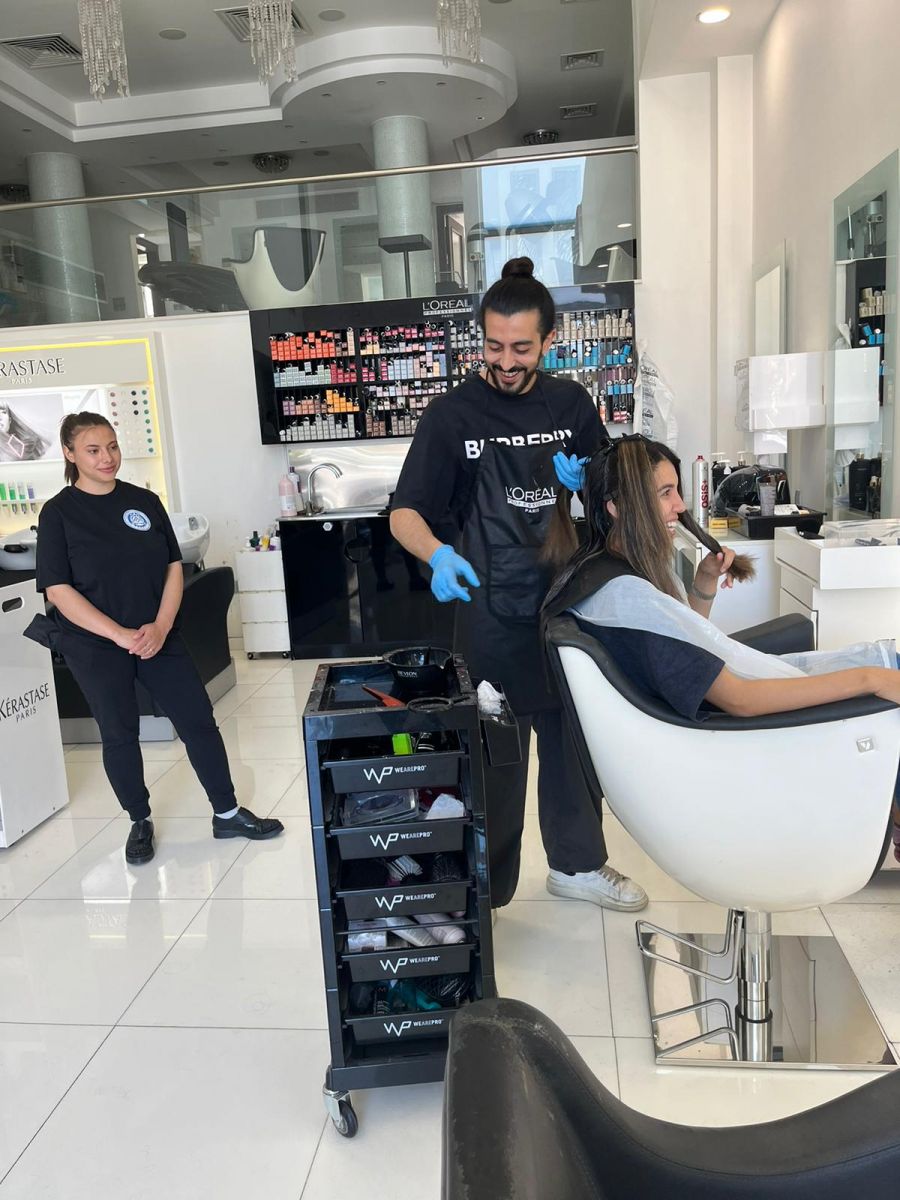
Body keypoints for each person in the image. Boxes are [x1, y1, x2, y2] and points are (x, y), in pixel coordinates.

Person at [389, 256, 647, 911]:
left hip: (565, 601)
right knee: (495, 753)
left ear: (548, 341)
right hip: (488, 607)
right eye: (495, 346)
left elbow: (607, 496)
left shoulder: (570, 404)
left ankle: (577, 866)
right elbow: (405, 512)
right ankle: (486, 887)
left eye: (522, 348)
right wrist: (437, 555)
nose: (506, 361)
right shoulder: (452, 416)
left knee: (570, 739)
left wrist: (589, 485)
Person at [542, 434, 900, 858]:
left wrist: (704, 584)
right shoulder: (628, 601)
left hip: (715, 736)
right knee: (885, 671)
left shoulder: (604, 573)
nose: (680, 505)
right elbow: (739, 699)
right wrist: (869, 680)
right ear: (616, 507)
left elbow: (684, 652)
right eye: (665, 493)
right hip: (736, 748)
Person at [33, 411, 284, 865]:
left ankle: (227, 813)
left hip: (158, 635)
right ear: (70, 454)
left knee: (198, 721)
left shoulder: (144, 501)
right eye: (93, 450)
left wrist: (161, 626)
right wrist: (119, 635)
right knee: (119, 733)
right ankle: (139, 820)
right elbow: (58, 590)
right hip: (96, 644)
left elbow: (173, 566)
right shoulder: (58, 514)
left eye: (112, 446)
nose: (107, 458)